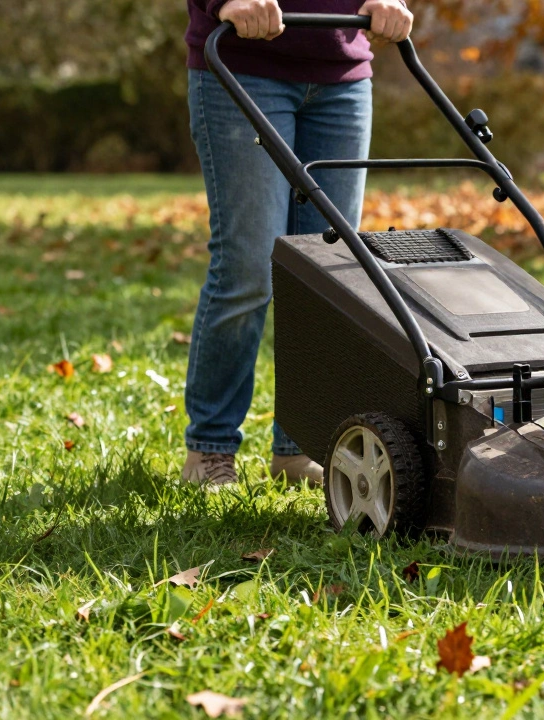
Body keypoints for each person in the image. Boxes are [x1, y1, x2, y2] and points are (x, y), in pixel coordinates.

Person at [181, 0, 413, 486]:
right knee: (247, 267)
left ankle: (300, 446)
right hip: (243, 64)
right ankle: (210, 448)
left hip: (343, 74)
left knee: (327, 274)